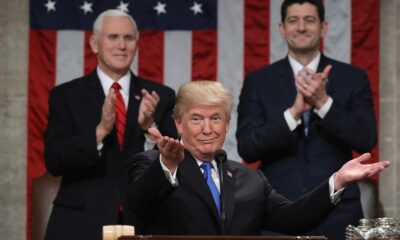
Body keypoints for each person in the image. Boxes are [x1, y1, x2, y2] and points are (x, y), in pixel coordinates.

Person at [127, 81, 388, 236]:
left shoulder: (250, 178)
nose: (207, 129)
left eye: (216, 118)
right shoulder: (152, 164)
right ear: (178, 123)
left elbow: (293, 218)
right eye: (197, 119)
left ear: (227, 124)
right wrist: (168, 165)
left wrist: (338, 181)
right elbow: (138, 207)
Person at [236, 0, 377, 239]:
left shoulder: (353, 77)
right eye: (293, 20)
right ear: (282, 28)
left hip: (339, 213)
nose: (301, 27)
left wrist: (323, 102)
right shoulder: (259, 81)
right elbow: (248, 148)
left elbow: (366, 140)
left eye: (309, 20)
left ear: (324, 27)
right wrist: (293, 114)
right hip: (278, 214)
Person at [43, 9, 177, 240]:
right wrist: (100, 131)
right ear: (94, 44)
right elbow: (54, 160)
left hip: (143, 221)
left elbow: (172, 164)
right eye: (113, 37)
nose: (121, 45)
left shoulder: (160, 96)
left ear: (136, 43)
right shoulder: (66, 95)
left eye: (128, 38)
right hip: (80, 222)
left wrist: (149, 129)